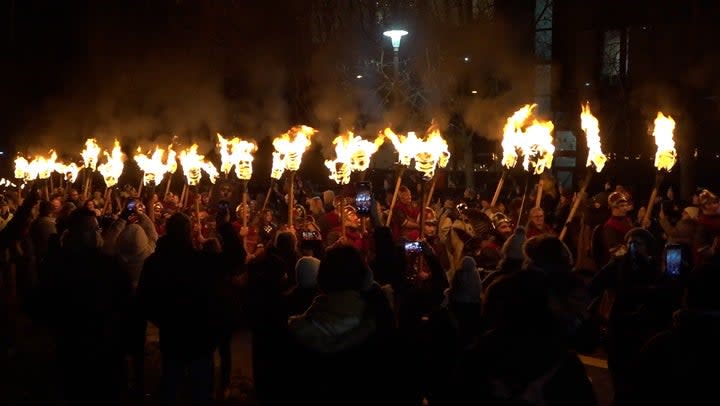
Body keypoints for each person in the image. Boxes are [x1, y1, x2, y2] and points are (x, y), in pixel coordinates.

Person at [31, 208, 131, 405]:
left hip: (102, 346)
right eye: (90, 230)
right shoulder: (60, 266)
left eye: (97, 229)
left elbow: (124, 302)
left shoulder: (109, 264)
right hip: (79, 346)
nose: (96, 234)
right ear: (74, 234)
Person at [138, 213, 230, 405]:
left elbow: (145, 300)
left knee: (173, 380)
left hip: (173, 332)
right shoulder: (200, 261)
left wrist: (163, 320)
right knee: (198, 386)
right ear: (188, 233)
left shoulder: (155, 262)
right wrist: (225, 225)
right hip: (198, 333)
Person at [596, 190, 634, 266]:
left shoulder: (627, 220)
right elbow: (614, 250)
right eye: (622, 205)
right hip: (617, 264)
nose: (625, 208)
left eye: (626, 205)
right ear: (614, 207)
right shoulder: (610, 226)